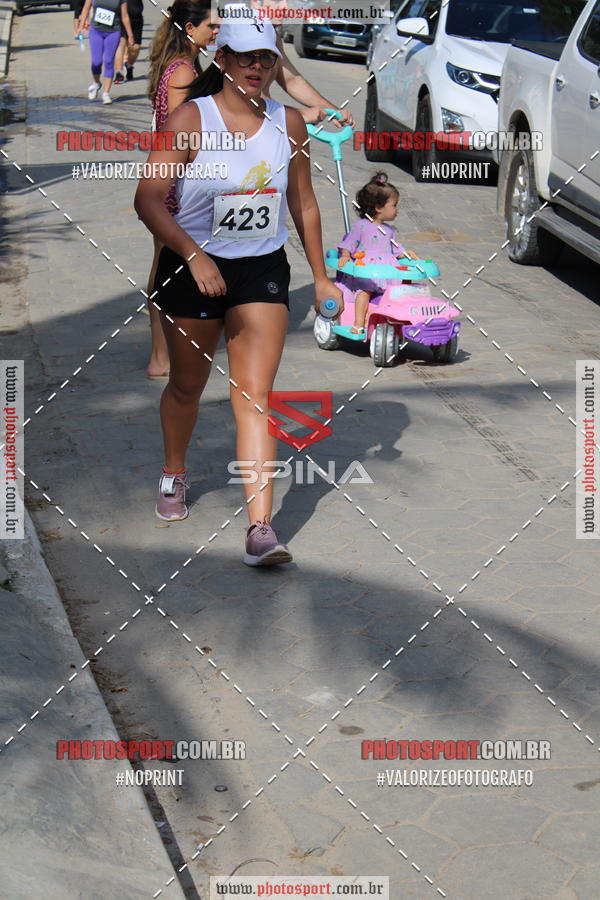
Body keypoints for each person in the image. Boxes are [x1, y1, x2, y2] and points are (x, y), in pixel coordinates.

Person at [134, 20, 343, 565]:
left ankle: (260, 529)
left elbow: (304, 203)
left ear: (276, 65)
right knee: (186, 385)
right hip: (193, 268)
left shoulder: (288, 122)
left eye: (267, 59)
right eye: (245, 57)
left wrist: (321, 276)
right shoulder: (190, 119)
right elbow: (149, 199)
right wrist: (195, 255)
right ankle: (174, 473)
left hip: (260, 271)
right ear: (222, 60)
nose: (256, 67)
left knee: (255, 396)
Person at [144, 0, 220, 379]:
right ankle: (161, 355)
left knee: (163, 267)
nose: (216, 31)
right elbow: (181, 131)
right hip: (173, 184)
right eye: (211, 26)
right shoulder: (183, 70)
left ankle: (162, 354)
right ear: (190, 28)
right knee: (167, 271)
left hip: (170, 180)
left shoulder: (180, 64)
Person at [337, 172, 419, 334]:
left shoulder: (389, 230)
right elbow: (349, 243)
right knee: (364, 293)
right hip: (368, 272)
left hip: (387, 272)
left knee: (402, 291)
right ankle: (358, 323)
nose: (397, 209)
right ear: (379, 208)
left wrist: (404, 253)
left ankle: (402, 321)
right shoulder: (361, 226)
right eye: (394, 205)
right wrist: (346, 255)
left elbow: (394, 248)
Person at [78, 0, 135, 104]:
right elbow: (86, 8)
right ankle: (96, 83)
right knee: (96, 62)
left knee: (108, 61)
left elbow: (125, 16)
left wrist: (130, 35)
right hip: (96, 31)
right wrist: (81, 26)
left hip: (113, 32)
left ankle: (106, 93)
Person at [114, 0, 143, 83]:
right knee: (120, 43)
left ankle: (129, 65)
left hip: (136, 18)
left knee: (135, 47)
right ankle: (119, 73)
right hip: (119, 16)